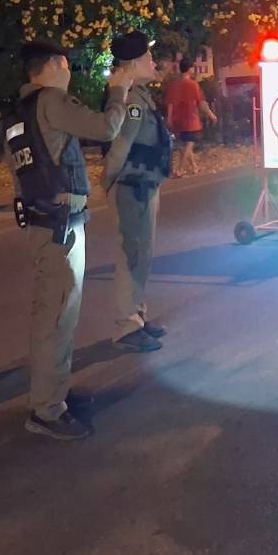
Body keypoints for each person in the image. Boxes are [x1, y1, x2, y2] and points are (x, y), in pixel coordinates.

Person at [7, 41, 131, 441]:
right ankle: (46, 409)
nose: (69, 73)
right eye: (66, 66)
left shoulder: (20, 112)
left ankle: (53, 393)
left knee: (55, 315)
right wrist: (118, 92)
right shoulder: (51, 101)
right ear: (55, 65)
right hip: (59, 227)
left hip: (45, 221)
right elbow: (105, 128)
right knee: (57, 317)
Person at [104, 31, 172, 352]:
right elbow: (120, 144)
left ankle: (137, 315)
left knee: (142, 254)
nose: (153, 62)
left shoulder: (140, 96)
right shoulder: (132, 100)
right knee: (133, 256)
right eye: (148, 57)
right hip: (133, 188)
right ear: (133, 64)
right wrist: (109, 182)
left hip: (145, 185)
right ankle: (126, 326)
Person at [163, 56, 218, 176]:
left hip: (177, 120)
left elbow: (170, 103)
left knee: (186, 142)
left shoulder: (173, 86)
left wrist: (169, 118)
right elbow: (202, 103)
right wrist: (211, 115)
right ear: (189, 69)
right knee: (190, 143)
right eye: (193, 68)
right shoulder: (193, 85)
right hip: (191, 120)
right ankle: (180, 169)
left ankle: (194, 167)